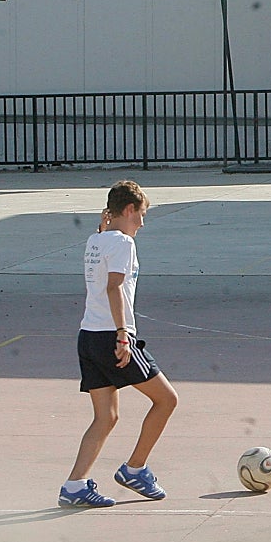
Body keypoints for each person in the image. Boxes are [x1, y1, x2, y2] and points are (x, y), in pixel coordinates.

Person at [58, 180, 179, 507]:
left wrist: (104, 223)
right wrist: (123, 335)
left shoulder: (95, 239)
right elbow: (114, 288)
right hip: (112, 337)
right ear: (128, 210)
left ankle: (74, 486)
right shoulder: (124, 243)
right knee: (167, 400)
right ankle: (135, 468)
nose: (142, 223)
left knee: (106, 416)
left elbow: (103, 244)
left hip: (88, 337)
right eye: (141, 214)